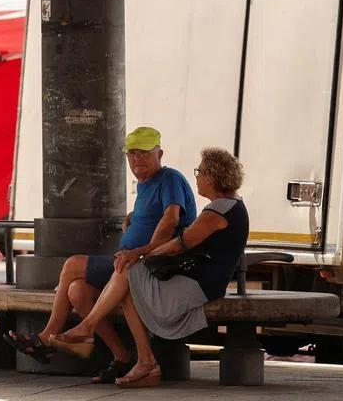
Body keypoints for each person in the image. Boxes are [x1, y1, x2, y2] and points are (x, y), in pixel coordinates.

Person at [5, 125, 197, 382]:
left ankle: (47, 337)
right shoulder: (144, 184)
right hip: (131, 260)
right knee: (77, 290)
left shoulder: (169, 178)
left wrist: (142, 251)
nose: (136, 159)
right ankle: (121, 357)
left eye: (143, 153)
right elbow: (154, 216)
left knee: (73, 264)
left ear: (160, 154)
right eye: (131, 154)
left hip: (149, 263)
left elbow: (171, 219)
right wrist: (133, 219)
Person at [54, 147, 249, 388]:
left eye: (199, 172)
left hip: (197, 287)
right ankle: (145, 362)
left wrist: (139, 253)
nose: (197, 177)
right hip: (201, 282)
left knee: (128, 270)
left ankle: (90, 328)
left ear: (211, 176)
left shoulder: (216, 211)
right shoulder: (231, 205)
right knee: (129, 284)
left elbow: (180, 245)